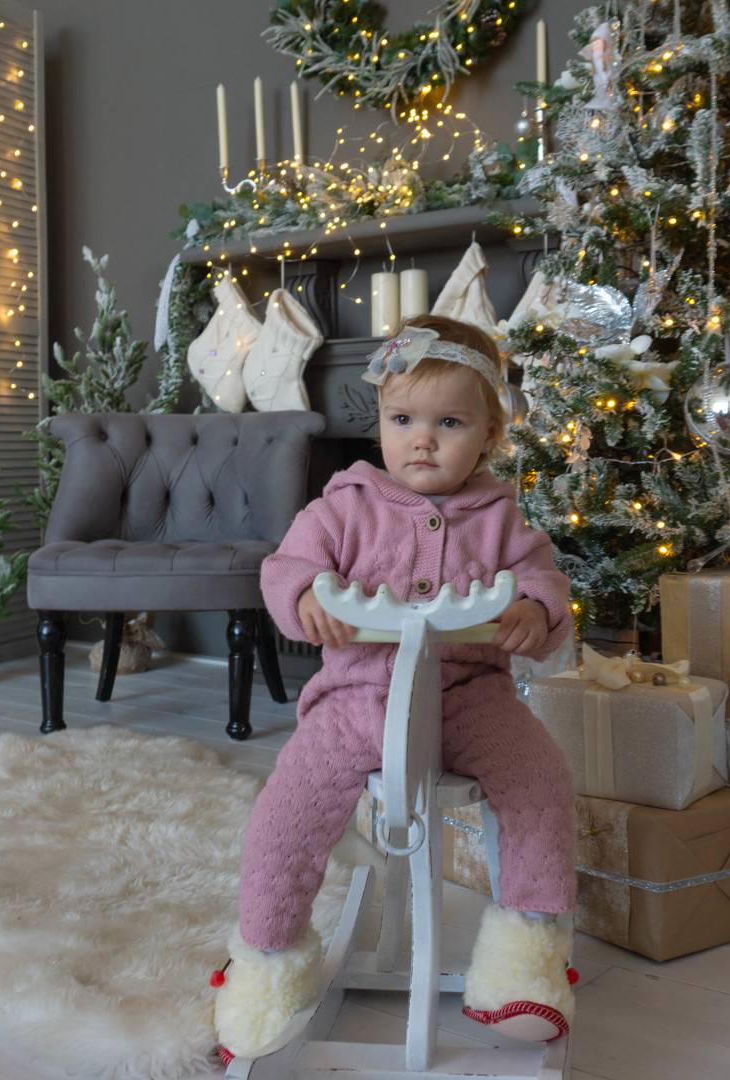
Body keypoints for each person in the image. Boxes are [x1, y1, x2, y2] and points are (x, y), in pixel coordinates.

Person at [213, 314, 579, 1059]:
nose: (423, 440)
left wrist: (533, 612)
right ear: (379, 419)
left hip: (470, 698)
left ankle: (526, 956)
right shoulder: (344, 505)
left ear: (489, 434)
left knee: (540, 781)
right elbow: (286, 567)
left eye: (450, 423)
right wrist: (304, 595)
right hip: (355, 699)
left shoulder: (499, 517)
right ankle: (268, 961)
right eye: (403, 419)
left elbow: (544, 580)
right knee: (287, 814)